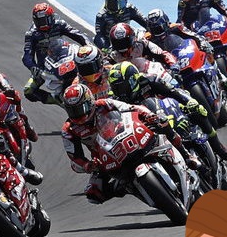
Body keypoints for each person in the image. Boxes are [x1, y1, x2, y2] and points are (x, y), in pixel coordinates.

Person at [60, 84, 198, 205]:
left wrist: (148, 116)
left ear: (90, 102)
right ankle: (129, 187)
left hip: (128, 137)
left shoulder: (103, 104)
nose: (77, 114)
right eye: (72, 110)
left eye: (80, 108)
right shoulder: (68, 129)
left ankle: (187, 156)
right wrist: (88, 165)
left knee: (162, 123)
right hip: (106, 159)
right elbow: (74, 158)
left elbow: (132, 108)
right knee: (93, 193)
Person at [106, 61, 227, 161]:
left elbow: (173, 91)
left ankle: (218, 146)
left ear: (133, 79)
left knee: (199, 111)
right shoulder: (115, 100)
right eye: (116, 88)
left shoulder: (149, 80)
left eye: (122, 87)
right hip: (144, 126)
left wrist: (189, 101)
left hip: (167, 111)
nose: (120, 92)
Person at [22, 2, 91, 74]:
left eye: (43, 21)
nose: (42, 24)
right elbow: (27, 56)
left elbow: (78, 35)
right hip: (45, 70)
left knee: (85, 70)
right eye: (39, 21)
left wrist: (89, 45)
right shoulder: (31, 34)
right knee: (32, 81)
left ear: (50, 17)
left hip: (66, 62)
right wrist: (34, 68)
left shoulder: (60, 24)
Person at [108, 22, 180, 75]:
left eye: (125, 41)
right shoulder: (112, 55)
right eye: (118, 43)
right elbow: (105, 68)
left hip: (149, 76)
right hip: (127, 84)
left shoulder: (142, 44)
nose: (122, 45)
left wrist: (173, 64)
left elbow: (162, 54)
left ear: (132, 38)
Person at [144, 8, 215, 59]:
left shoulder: (176, 27)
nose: (158, 32)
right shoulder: (147, 38)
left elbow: (194, 35)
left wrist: (204, 44)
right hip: (167, 65)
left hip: (186, 55)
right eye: (154, 29)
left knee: (207, 54)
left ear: (166, 23)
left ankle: (217, 70)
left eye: (160, 28)